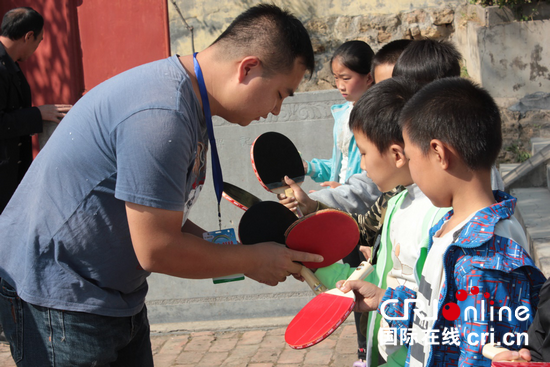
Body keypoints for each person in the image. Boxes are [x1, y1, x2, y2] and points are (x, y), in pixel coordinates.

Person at [0, 4, 323, 366]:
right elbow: (157, 248)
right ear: (248, 68)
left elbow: (160, 216)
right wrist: (250, 259)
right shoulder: (163, 114)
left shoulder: (188, 98)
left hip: (114, 292)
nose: (276, 110)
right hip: (61, 299)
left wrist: (248, 251)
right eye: (280, 93)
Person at [339, 77, 547, 367]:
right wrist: (385, 300)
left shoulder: (486, 256)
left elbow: (482, 352)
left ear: (439, 154)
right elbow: (443, 319)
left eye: (411, 157)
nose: (409, 167)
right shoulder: (450, 228)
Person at [0, 7, 72, 214]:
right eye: (39, 41)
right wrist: (37, 114)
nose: (37, 47)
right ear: (28, 36)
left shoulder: (10, 63)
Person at [304, 40, 374, 190]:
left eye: (346, 78)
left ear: (369, 78)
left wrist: (343, 190)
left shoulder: (377, 117)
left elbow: (374, 173)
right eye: (336, 78)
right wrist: (308, 168)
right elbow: (342, 164)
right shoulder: (343, 114)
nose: (340, 86)